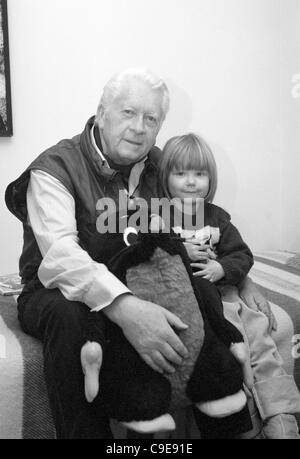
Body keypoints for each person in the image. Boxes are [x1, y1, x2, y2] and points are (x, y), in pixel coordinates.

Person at [4, 68, 282, 439]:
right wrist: (126, 308)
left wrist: (240, 279)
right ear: (102, 113)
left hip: (139, 280)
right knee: (71, 319)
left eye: (151, 118)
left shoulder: (160, 165)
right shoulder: (55, 168)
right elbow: (59, 256)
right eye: (128, 113)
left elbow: (197, 228)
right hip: (54, 291)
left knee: (196, 303)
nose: (139, 127)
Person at [158, 132, 300, 439]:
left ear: (211, 178)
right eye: (181, 173)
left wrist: (221, 266)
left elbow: (241, 254)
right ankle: (248, 423)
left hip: (226, 292)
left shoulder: (217, 219)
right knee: (235, 343)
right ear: (165, 177)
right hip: (193, 301)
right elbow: (150, 257)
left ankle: (281, 415)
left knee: (260, 332)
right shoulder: (158, 218)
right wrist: (181, 252)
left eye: (200, 173)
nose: (191, 182)